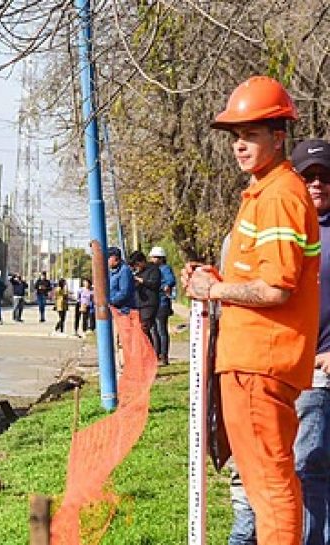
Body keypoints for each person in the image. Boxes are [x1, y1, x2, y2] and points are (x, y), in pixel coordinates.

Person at [184, 76, 319, 545]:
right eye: (236, 136)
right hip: (252, 363)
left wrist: (213, 292)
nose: (240, 145)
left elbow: (278, 288)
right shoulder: (265, 192)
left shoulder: (280, 195)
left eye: (251, 135)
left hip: (259, 364)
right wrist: (217, 282)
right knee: (267, 484)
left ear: (278, 137)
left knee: (270, 485)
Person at [229, 138, 330, 545]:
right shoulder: (280, 213)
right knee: (280, 469)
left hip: (302, 364)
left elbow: (276, 288)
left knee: (301, 471)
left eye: (326, 176)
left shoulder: (281, 204)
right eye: (310, 177)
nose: (318, 184)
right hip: (290, 366)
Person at [129, 250, 163, 359]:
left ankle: (152, 353)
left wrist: (141, 280)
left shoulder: (153, 270)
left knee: (145, 327)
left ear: (142, 261)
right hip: (140, 303)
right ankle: (148, 352)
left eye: (137, 265)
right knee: (144, 330)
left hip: (150, 304)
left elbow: (155, 284)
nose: (136, 267)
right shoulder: (138, 272)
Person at [149, 246, 177, 364]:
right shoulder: (152, 269)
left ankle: (164, 355)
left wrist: (165, 286)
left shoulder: (165, 269)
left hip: (162, 302)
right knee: (154, 330)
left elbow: (171, 280)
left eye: (155, 257)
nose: (153, 259)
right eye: (152, 257)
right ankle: (156, 354)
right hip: (154, 302)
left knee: (161, 330)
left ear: (161, 258)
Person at [107, 247, 135, 314]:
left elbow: (124, 292)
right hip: (114, 309)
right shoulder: (111, 272)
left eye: (108, 258)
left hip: (123, 310)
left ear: (115, 258)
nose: (106, 260)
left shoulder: (124, 270)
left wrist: (110, 301)